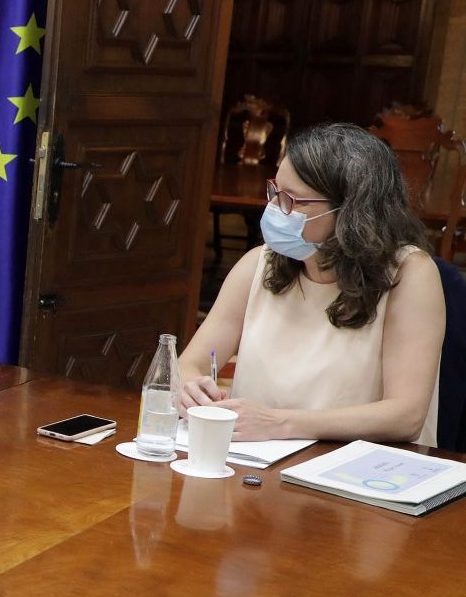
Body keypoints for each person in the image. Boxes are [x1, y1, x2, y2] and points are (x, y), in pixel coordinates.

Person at [178, 122, 443, 445]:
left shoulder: (410, 274)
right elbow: (189, 364)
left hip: (357, 472)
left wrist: (281, 424)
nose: (275, 210)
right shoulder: (258, 264)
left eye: (294, 200)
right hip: (255, 464)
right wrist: (191, 388)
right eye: (275, 192)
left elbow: (405, 416)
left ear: (352, 212)